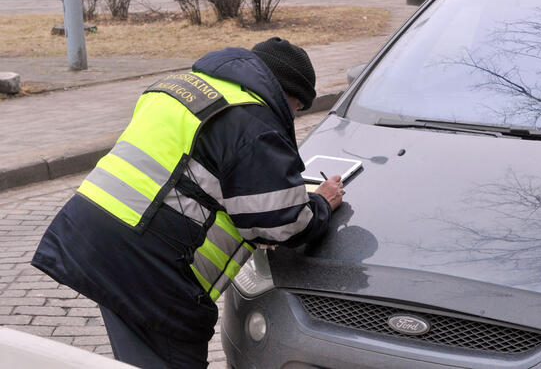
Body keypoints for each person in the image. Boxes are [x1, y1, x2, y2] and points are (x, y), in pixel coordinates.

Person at [31, 37, 344, 368]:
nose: (293, 117)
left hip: (96, 242)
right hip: (153, 272)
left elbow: (191, 171)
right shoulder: (253, 120)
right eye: (298, 108)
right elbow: (282, 223)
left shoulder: (180, 86)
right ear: (287, 94)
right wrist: (321, 202)